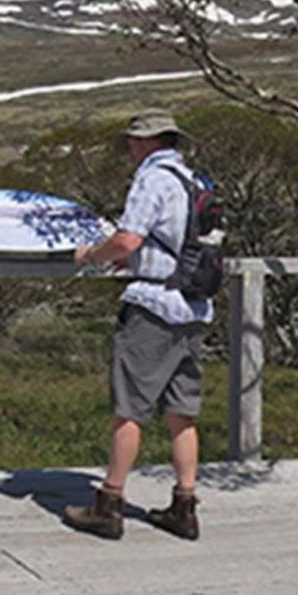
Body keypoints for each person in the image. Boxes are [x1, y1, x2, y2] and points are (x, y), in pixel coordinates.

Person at [63, 110, 213, 541]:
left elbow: (128, 240)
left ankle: (108, 505)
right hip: (193, 306)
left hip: (154, 307)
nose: (128, 150)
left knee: (129, 408)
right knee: (181, 412)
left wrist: (92, 254)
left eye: (131, 142)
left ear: (148, 142)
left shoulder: (153, 180)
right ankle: (185, 506)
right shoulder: (195, 180)